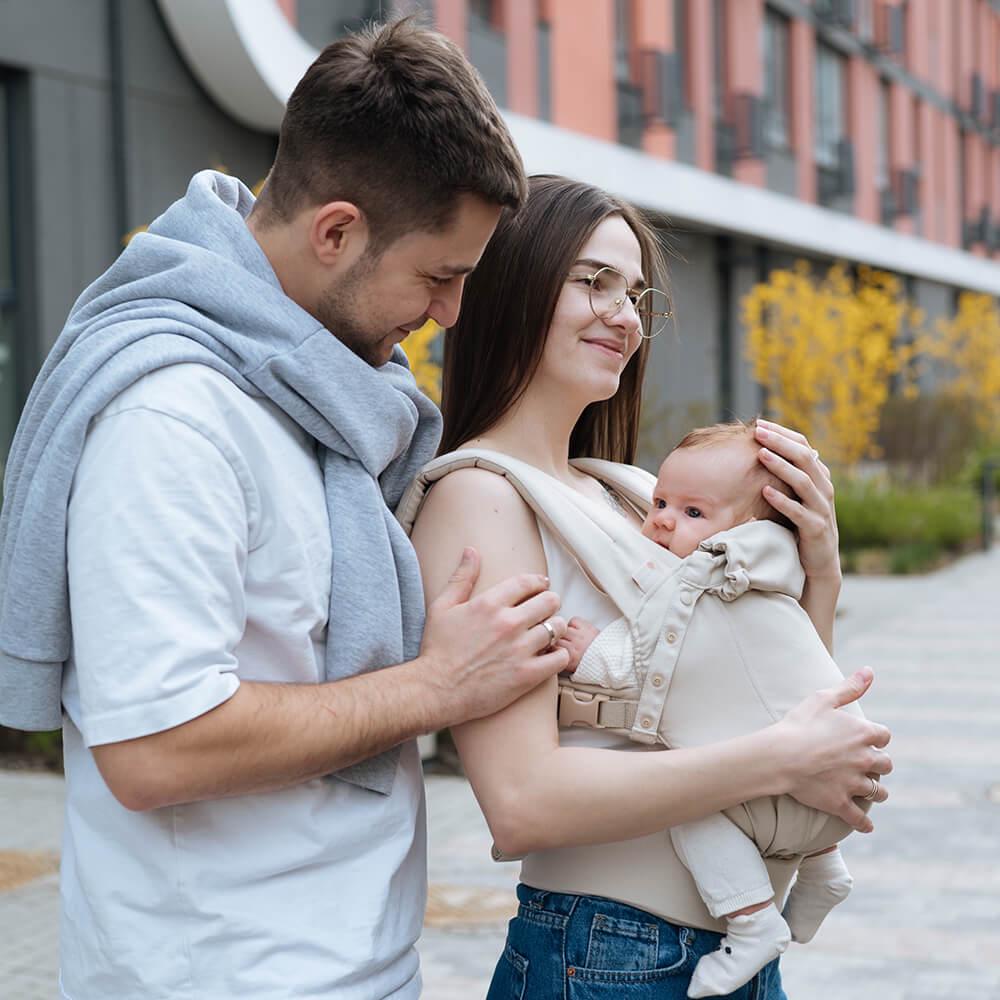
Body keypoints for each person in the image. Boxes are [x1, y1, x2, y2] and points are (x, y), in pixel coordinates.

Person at [0, 19, 575, 1000]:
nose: (449, 314)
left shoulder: (324, 392)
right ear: (337, 231)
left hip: (349, 965)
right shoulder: (174, 416)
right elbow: (152, 746)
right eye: (439, 276)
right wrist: (437, 686)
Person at [408, 175, 892, 999]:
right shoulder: (480, 495)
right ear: (513, 282)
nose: (624, 316)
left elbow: (758, 685)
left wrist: (821, 570)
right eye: (592, 282)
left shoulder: (636, 494)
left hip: (725, 953)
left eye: (634, 294)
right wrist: (780, 760)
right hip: (609, 954)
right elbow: (523, 802)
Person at [559, 419, 862, 997]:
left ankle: (751, 925)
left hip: (777, 792)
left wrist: (592, 654)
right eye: (662, 501)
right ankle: (825, 868)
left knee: (689, 803)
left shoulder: (712, 572)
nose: (665, 520)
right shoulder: (779, 573)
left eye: (694, 513)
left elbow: (659, 654)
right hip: (829, 785)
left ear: (749, 527)